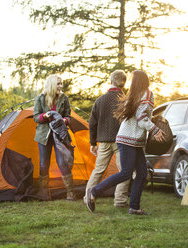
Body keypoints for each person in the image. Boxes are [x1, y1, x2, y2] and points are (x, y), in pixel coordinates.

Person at [85, 70, 165, 215]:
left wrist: (155, 119)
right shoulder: (147, 93)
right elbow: (141, 118)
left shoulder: (134, 94)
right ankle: (95, 191)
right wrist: (155, 130)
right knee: (126, 173)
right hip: (129, 140)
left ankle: (134, 207)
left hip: (131, 140)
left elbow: (138, 116)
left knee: (141, 173)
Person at [85, 70, 130, 207]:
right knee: (124, 171)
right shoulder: (126, 100)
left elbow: (92, 123)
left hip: (103, 142)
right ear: (124, 83)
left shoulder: (100, 100)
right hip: (121, 142)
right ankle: (120, 200)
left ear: (111, 81)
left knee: (98, 170)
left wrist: (93, 142)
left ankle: (88, 196)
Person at [33, 74, 75, 201]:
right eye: (58, 84)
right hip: (44, 136)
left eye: (61, 83)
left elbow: (69, 116)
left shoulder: (64, 98)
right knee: (43, 164)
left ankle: (70, 192)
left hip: (60, 136)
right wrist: (44, 116)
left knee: (62, 163)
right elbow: (36, 117)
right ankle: (44, 192)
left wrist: (64, 120)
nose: (61, 86)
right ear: (51, 85)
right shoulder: (40, 98)